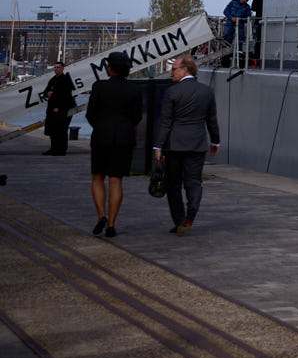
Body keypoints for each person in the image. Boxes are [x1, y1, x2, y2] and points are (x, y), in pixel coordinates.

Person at [152, 54, 219, 237]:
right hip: (197, 144)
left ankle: (179, 220)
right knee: (194, 182)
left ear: (185, 70)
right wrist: (215, 141)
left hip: (174, 145)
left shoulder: (172, 92)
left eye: (174, 69)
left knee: (173, 184)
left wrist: (158, 146)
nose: (171, 73)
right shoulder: (207, 91)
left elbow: (166, 122)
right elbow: (211, 120)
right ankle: (191, 214)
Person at [86, 53, 143, 237]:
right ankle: (111, 224)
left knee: (97, 178)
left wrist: (101, 126)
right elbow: (137, 116)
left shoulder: (99, 86)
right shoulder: (134, 89)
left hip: (101, 136)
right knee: (116, 180)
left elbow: (90, 114)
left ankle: (101, 215)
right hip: (124, 138)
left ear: (109, 68)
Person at [42, 66, 76, 155]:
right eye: (55, 67)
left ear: (62, 69)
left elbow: (66, 95)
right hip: (52, 108)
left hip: (62, 108)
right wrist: (47, 94)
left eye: (58, 67)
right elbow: (45, 92)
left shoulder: (65, 80)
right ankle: (53, 148)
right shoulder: (53, 79)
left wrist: (59, 107)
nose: (56, 69)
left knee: (61, 129)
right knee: (52, 129)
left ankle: (61, 150)